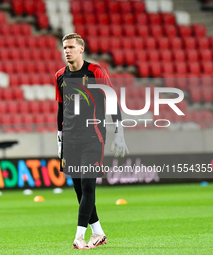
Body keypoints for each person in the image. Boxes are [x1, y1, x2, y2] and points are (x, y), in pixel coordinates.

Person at [54, 33, 129, 249]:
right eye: (64, 47)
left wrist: (119, 132)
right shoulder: (60, 76)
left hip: (93, 137)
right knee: (79, 189)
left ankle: (79, 236)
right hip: (70, 138)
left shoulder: (96, 72)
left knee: (88, 185)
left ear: (81, 49)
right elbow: (61, 108)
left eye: (70, 47)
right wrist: (59, 138)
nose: (66, 51)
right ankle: (99, 233)